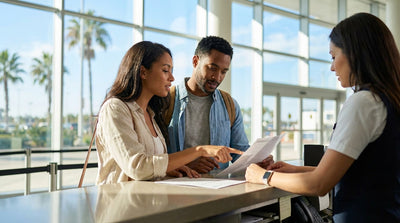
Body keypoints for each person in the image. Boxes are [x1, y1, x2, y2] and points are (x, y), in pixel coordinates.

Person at [245, 13, 400, 222]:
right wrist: (294, 169)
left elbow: (319, 184)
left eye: (334, 56)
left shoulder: (364, 102)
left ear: (355, 53)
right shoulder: (389, 100)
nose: (332, 67)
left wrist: (263, 176)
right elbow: (363, 170)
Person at [95, 41, 243, 184]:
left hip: (150, 204)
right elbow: (137, 167)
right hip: (119, 204)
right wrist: (200, 150)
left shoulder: (150, 114)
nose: (172, 78)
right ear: (143, 72)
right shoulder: (115, 108)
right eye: (165, 70)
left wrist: (169, 169)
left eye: (223, 72)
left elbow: (152, 164)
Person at [166, 36, 273, 174]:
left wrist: (259, 160)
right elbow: (153, 158)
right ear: (195, 61)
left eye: (223, 72)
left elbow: (238, 153)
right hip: (175, 189)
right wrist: (187, 163)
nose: (217, 77)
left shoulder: (230, 105)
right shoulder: (166, 101)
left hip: (219, 190)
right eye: (212, 68)